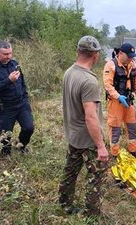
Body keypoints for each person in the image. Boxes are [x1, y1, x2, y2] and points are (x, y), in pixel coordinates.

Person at [59, 35, 109, 216]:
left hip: (72, 133)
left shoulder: (69, 72)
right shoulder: (89, 81)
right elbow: (90, 117)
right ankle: (91, 214)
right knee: (96, 175)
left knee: (70, 171)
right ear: (95, 55)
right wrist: (101, 146)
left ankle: (64, 203)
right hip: (88, 138)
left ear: (78, 51)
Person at [0, 40, 34, 157]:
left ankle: (21, 146)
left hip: (21, 104)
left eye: (10, 53)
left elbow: (22, 82)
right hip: (5, 106)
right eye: (5, 54)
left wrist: (25, 97)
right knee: (5, 135)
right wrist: (8, 80)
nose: (9, 56)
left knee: (29, 128)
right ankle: (6, 154)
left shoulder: (14, 64)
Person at [103, 43, 136, 157]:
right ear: (121, 53)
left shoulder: (132, 65)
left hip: (128, 100)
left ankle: (133, 150)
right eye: (129, 56)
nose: (131, 58)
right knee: (115, 127)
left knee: (132, 126)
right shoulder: (111, 65)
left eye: (132, 56)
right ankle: (114, 153)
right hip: (115, 102)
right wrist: (117, 96)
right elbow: (107, 85)